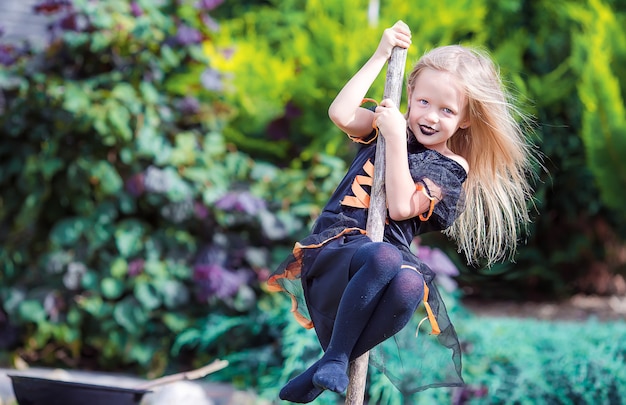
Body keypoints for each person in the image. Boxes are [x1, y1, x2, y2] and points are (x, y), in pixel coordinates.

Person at [268, 20, 535, 403]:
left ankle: (330, 362)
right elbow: (342, 113)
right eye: (424, 102)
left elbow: (400, 205)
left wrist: (394, 138)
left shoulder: (450, 168)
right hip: (339, 250)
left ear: (466, 119)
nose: (429, 116)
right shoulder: (391, 122)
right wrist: (380, 54)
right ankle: (336, 358)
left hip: (382, 264)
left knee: (409, 283)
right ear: (410, 92)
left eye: (446, 110)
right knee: (383, 257)